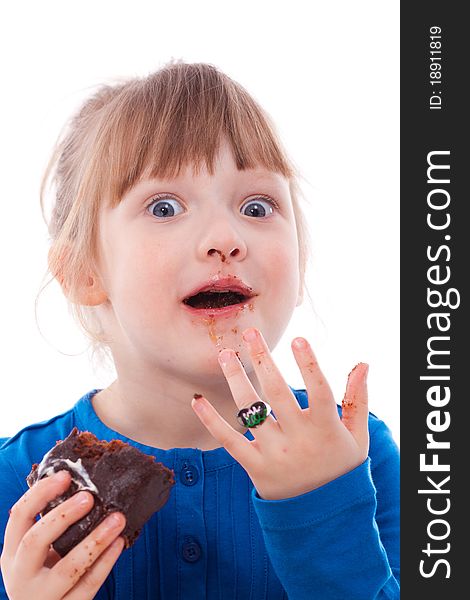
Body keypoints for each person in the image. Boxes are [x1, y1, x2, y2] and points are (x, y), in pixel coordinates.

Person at [0, 61, 400, 599]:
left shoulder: (355, 454)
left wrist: (321, 514)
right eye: (164, 207)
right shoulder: (14, 482)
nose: (225, 237)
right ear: (83, 272)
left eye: (257, 206)